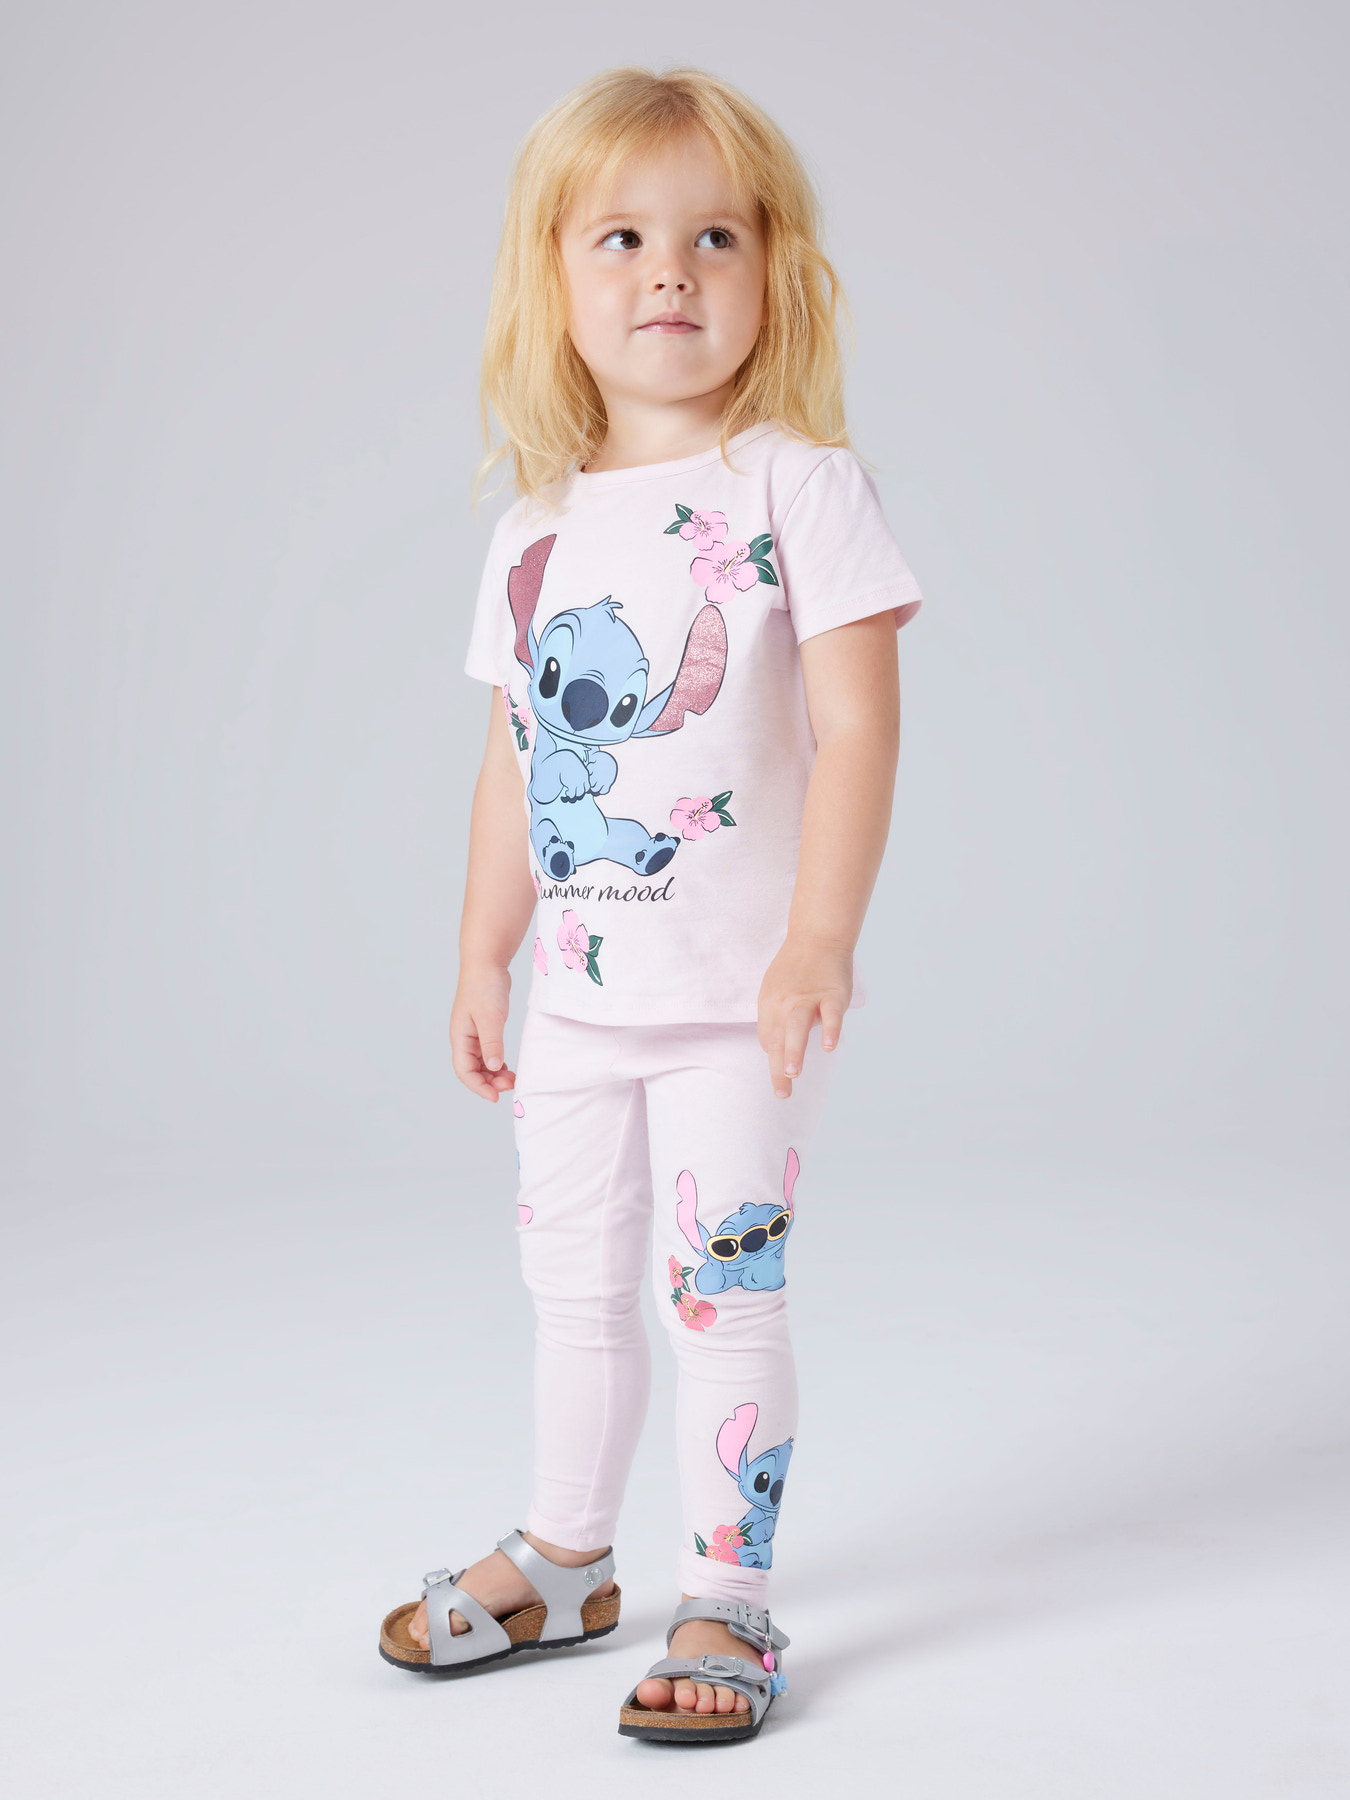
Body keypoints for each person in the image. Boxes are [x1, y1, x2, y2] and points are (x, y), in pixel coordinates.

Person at [377, 65, 922, 1745]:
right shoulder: (535, 527)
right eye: (620, 237)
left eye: (712, 237)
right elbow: (513, 761)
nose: (668, 270)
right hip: (580, 1004)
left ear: (774, 273)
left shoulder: (795, 487)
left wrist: (819, 940)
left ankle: (727, 1599)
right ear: (551, 279)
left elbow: (858, 727)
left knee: (721, 1298)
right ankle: (567, 1556)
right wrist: (482, 950)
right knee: (572, 1289)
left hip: (736, 1006)